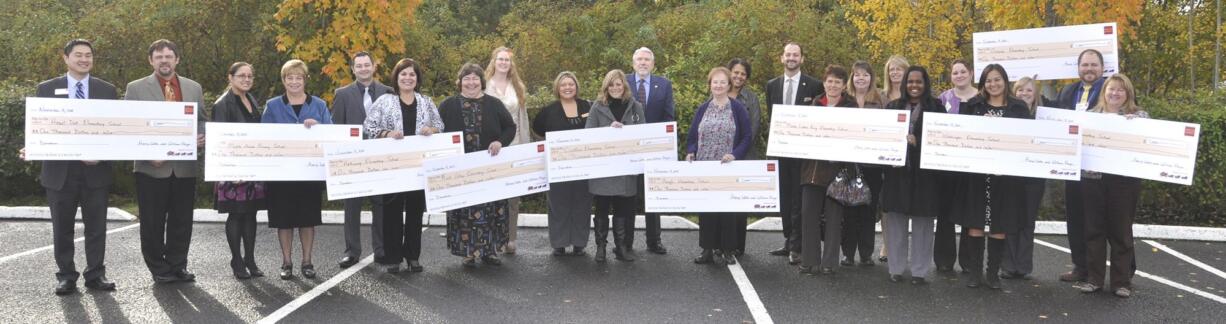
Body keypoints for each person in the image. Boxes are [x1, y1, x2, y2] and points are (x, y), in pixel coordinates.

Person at [31, 39, 120, 294]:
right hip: (60, 172)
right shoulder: (47, 89)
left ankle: (96, 274)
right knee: (62, 227)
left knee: (96, 227)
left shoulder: (107, 90)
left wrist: (101, 156)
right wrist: (34, 145)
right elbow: (41, 126)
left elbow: (114, 131)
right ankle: (66, 275)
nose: (84, 59)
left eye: (88, 55)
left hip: (95, 171)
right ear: (66, 58)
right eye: (78, 55)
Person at [125, 39, 207, 284]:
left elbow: (201, 120)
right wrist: (148, 154)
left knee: (182, 220)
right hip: (152, 168)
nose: (164, 61)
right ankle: (158, 267)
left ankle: (178, 264)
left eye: (168, 56)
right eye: (159, 57)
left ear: (177, 59)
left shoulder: (193, 88)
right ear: (151, 61)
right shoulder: (136, 88)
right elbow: (129, 126)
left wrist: (201, 137)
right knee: (152, 221)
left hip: (184, 168)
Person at [952, 64, 1031, 290]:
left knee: (1000, 224)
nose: (993, 84)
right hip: (977, 175)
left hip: (1006, 177)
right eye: (988, 80)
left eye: (997, 80)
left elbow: (1026, 141)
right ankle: (975, 273)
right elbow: (962, 137)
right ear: (983, 83)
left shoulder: (1019, 108)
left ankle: (993, 273)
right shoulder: (972, 106)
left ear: (1005, 81)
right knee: (975, 221)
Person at [365, 58, 443, 273]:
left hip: (419, 167)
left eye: (412, 74)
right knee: (392, 212)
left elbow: (440, 125)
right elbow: (369, 127)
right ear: (396, 77)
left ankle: (413, 256)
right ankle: (393, 258)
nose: (408, 78)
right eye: (403, 74)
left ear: (417, 79)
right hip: (394, 167)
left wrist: (432, 130)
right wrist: (387, 133)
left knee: (415, 212)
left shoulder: (426, 101)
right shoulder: (384, 101)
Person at [1074, 73, 1148, 298]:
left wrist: (1138, 126)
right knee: (1094, 230)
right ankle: (1094, 279)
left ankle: (1121, 282)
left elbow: (1148, 142)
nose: (1115, 93)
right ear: (1104, 91)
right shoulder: (1090, 116)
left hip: (1124, 182)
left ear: (1128, 94)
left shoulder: (1139, 116)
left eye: (1120, 90)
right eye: (1111, 89)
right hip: (1093, 180)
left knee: (1121, 232)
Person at [438, 63, 517, 268]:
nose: (471, 82)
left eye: (475, 79)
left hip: (489, 168)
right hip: (460, 171)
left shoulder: (494, 104)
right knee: (464, 210)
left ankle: (490, 251)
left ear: (481, 81)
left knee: (491, 209)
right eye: (467, 79)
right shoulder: (447, 105)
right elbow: (438, 133)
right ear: (460, 82)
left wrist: (500, 141)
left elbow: (510, 127)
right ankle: (468, 252)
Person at [263, 59, 331, 280]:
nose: (294, 81)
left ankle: (307, 261)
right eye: (289, 77)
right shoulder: (272, 105)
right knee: (284, 220)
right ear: (284, 80)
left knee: (307, 219)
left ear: (305, 80)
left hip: (309, 174)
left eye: (298, 77)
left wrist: (319, 129)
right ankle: (286, 262)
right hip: (281, 175)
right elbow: (264, 137)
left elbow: (332, 134)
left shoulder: (319, 105)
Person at [881, 66, 944, 285]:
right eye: (910, 82)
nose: (914, 86)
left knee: (923, 225)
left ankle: (919, 271)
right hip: (897, 176)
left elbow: (942, 142)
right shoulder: (893, 107)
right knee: (896, 222)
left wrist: (919, 143)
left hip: (925, 177)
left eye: (918, 82)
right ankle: (896, 268)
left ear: (925, 84)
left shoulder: (937, 108)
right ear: (904, 84)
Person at [332, 52, 394, 269]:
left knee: (381, 206)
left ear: (374, 66)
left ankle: (381, 249)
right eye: (359, 66)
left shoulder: (388, 92)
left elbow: (393, 125)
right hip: (352, 161)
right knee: (352, 206)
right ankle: (351, 251)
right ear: (353, 68)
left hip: (380, 159)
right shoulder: (342, 94)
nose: (363, 69)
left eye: (367, 65)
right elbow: (336, 130)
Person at [688, 67, 753, 266]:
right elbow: (692, 136)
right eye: (715, 82)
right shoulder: (703, 108)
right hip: (705, 166)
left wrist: (735, 154)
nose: (718, 85)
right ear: (710, 85)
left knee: (727, 209)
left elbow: (747, 136)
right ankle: (707, 249)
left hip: (728, 167)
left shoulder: (737, 108)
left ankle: (727, 250)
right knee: (707, 209)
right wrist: (691, 151)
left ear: (728, 85)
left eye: (722, 82)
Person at [764, 42, 822, 264]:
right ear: (781, 58)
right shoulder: (772, 85)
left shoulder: (814, 85)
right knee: (784, 198)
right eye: (788, 54)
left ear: (802, 59)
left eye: (795, 55)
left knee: (799, 198)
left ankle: (797, 246)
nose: (791, 58)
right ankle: (788, 239)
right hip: (779, 151)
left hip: (802, 153)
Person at [799, 65, 857, 275]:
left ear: (843, 86)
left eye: (837, 82)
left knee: (834, 218)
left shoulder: (851, 108)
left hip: (838, 172)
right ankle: (809, 260)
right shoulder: (814, 105)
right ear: (824, 83)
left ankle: (830, 263)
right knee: (809, 215)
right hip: (812, 171)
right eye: (829, 81)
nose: (833, 85)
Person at [1055, 49, 1106, 283]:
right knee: (1075, 217)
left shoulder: (1110, 89)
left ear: (1102, 68)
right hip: (1073, 164)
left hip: (1100, 167)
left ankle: (1121, 272)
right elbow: (1054, 116)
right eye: (1085, 65)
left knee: (1103, 221)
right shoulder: (1068, 90)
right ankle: (1080, 267)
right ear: (1078, 68)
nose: (1089, 69)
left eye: (1093, 65)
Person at [212, 62, 266, 279]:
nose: (246, 79)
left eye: (250, 76)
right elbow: (220, 140)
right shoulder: (223, 104)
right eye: (241, 76)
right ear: (230, 77)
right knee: (236, 214)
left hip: (251, 167)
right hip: (232, 170)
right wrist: (230, 171)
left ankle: (250, 259)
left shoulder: (250, 99)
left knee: (251, 214)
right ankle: (236, 260)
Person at [532, 72, 594, 257]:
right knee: (558, 204)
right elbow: (537, 132)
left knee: (582, 203)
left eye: (571, 84)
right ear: (557, 88)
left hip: (583, 166)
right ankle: (559, 243)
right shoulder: (548, 110)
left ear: (576, 87)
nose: (568, 88)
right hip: (557, 168)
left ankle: (579, 243)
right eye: (563, 85)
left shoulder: (588, 106)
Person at [587, 69, 646, 263]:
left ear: (624, 86)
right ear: (606, 87)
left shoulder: (635, 106)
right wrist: (607, 131)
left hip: (626, 168)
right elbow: (588, 135)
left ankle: (621, 247)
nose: (615, 88)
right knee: (602, 208)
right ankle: (601, 248)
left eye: (618, 84)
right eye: (611, 85)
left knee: (623, 209)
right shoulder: (597, 106)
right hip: (603, 169)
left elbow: (643, 135)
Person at [484, 47, 531, 254]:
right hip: (491, 147)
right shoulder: (484, 85)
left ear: (511, 64)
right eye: (500, 59)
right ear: (494, 61)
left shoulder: (517, 86)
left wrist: (525, 146)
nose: (503, 63)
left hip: (514, 146)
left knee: (513, 197)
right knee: (492, 196)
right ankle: (492, 238)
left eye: (507, 60)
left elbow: (523, 119)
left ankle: (510, 239)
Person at [626, 47, 673, 255]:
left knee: (653, 198)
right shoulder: (622, 82)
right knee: (628, 196)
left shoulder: (664, 84)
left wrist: (660, 145)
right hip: (627, 151)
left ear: (653, 64)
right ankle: (626, 241)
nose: (643, 63)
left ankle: (654, 241)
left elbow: (669, 116)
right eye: (639, 59)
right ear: (633, 62)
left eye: (647, 59)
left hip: (654, 151)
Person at [1001, 76, 1046, 280]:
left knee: (1028, 221)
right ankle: (1008, 265)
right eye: (1020, 90)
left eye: (1029, 90)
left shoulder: (1046, 116)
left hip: (1035, 177)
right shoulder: (1008, 113)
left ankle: (1023, 266)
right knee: (1010, 220)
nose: (1024, 94)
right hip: (1010, 175)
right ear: (1014, 92)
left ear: (1035, 93)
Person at [841, 61, 885, 267]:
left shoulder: (880, 100)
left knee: (868, 209)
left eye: (865, 75)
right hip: (848, 164)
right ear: (851, 78)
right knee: (849, 210)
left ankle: (866, 253)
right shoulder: (844, 99)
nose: (861, 78)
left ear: (871, 78)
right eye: (857, 74)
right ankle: (848, 253)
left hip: (872, 166)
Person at [934, 59, 977, 274]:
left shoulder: (982, 98)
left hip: (973, 167)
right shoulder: (943, 99)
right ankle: (944, 260)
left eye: (962, 71)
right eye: (955, 72)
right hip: (947, 166)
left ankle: (969, 261)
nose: (959, 75)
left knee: (970, 214)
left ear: (971, 73)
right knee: (945, 214)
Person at [726, 58, 760, 257]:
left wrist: (736, 152)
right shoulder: (718, 92)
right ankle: (722, 243)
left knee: (740, 204)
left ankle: (738, 245)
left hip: (743, 156)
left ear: (746, 78)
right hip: (720, 158)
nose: (738, 76)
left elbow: (753, 129)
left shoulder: (751, 99)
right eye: (735, 72)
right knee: (723, 202)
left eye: (743, 74)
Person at [878, 55, 909, 263]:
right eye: (891, 69)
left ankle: (902, 244)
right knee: (886, 204)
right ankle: (888, 244)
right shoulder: (881, 96)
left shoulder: (914, 95)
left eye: (899, 69)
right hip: (885, 156)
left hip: (909, 158)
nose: (895, 72)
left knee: (905, 202)